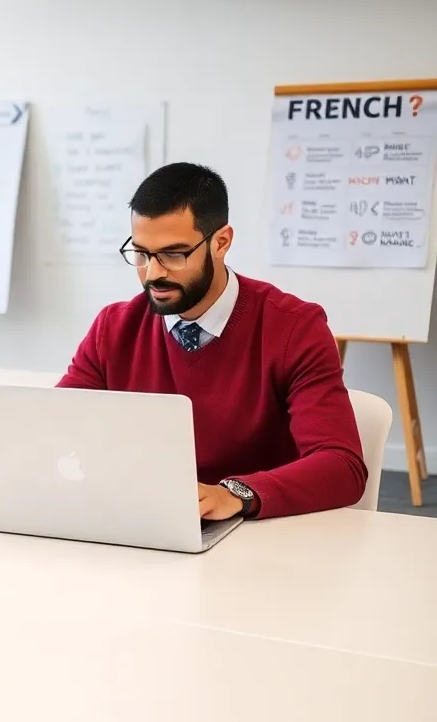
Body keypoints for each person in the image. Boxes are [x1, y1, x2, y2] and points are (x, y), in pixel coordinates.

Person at [57, 162, 366, 520]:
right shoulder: (113, 328)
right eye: (141, 254)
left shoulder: (295, 328)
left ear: (221, 243)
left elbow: (342, 466)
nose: (153, 273)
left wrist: (233, 494)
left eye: (173, 254)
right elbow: (55, 429)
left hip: (261, 535)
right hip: (144, 523)